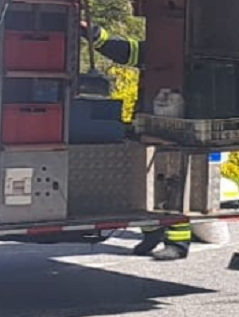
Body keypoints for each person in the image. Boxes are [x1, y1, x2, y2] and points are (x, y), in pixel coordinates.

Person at [80, 18, 190, 261]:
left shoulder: (190, 56)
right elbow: (123, 50)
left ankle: (179, 242)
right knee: (139, 182)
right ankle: (151, 231)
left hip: (177, 129)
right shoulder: (154, 50)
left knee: (171, 183)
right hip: (147, 122)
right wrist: (92, 33)